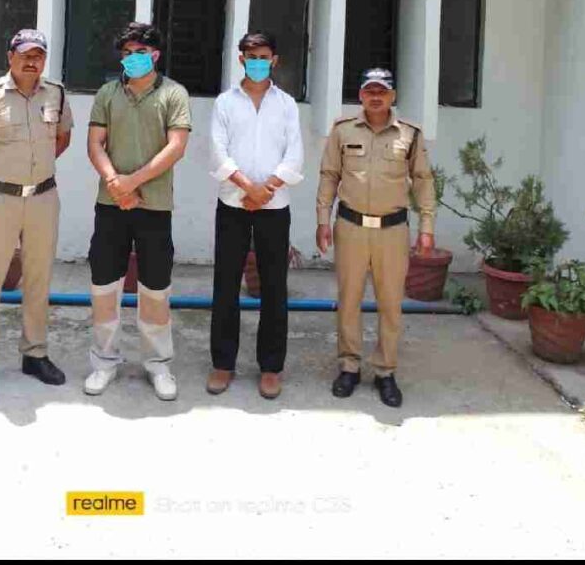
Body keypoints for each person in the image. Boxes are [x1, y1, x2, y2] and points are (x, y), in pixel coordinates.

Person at [0, 28, 73, 397]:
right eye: (24, 54)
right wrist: (2, 174)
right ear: (11, 57)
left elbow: (62, 138)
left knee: (39, 280)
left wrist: (33, 172)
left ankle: (34, 354)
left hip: (43, 198)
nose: (31, 61)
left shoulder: (55, 94)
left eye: (38, 55)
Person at [315, 67, 435, 408]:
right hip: (351, 227)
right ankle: (349, 366)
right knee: (349, 300)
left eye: (382, 91)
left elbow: (423, 180)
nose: (376, 96)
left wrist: (427, 227)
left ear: (393, 96)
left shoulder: (409, 134)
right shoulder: (342, 130)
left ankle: (385, 371)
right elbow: (329, 176)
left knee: (390, 304)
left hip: (392, 231)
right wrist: (323, 220)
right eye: (370, 90)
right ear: (361, 95)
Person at [85, 22, 191, 401]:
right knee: (104, 284)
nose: (133, 58)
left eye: (140, 52)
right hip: (111, 204)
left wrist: (133, 182)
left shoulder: (174, 93)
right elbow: (95, 143)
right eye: (127, 53)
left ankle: (158, 364)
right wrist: (115, 181)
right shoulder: (107, 93)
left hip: (154, 205)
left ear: (155, 55)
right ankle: (104, 361)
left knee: (155, 287)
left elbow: (176, 147)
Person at [207, 31, 304, 400]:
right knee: (226, 284)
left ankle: (271, 367)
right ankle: (223, 363)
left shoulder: (287, 104)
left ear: (274, 60)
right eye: (252, 56)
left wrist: (267, 189)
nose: (258, 62)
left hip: (274, 207)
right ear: (241, 59)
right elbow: (218, 152)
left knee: (274, 287)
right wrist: (249, 189)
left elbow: (295, 154)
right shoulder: (225, 103)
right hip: (233, 204)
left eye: (264, 57)